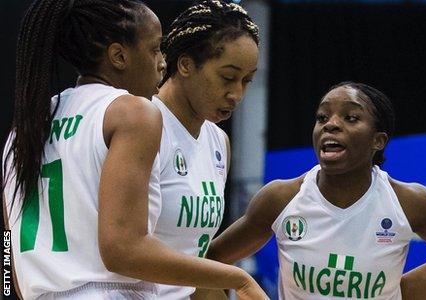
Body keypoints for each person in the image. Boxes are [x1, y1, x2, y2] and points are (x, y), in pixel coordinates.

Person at [2, 0, 266, 299]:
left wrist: (9, 290)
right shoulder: (133, 112)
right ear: (118, 56)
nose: (162, 62)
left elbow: (7, 243)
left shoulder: (26, 126)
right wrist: (238, 278)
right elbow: (123, 249)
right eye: (154, 50)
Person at [205, 82, 426, 299]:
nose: (331, 124)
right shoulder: (281, 198)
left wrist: (405, 292)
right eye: (322, 117)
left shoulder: (410, 202)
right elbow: (207, 262)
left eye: (350, 118)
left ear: (378, 140)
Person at [152, 1, 260, 299]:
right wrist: (240, 280)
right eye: (227, 77)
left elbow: (195, 266)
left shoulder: (218, 141)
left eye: (246, 81)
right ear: (185, 65)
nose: (236, 94)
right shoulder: (140, 123)